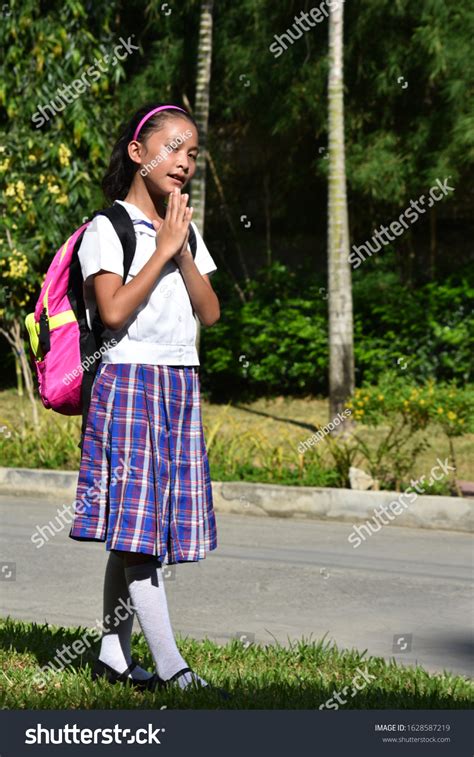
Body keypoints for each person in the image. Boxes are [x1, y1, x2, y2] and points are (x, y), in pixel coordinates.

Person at [68, 103, 221, 694]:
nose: (184, 162)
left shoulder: (184, 231)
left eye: (192, 152)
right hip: (130, 382)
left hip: (178, 381)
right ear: (138, 153)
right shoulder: (107, 228)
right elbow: (110, 312)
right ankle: (173, 667)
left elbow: (209, 310)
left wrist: (180, 246)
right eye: (173, 147)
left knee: (140, 526)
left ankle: (111, 656)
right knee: (138, 533)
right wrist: (161, 249)